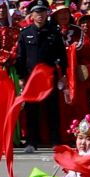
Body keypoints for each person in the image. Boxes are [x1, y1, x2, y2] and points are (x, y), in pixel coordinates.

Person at [15, 3, 67, 151]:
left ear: (47, 14)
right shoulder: (25, 33)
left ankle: (55, 141)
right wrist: (21, 77)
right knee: (32, 110)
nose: (40, 15)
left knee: (52, 110)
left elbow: (62, 55)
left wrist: (63, 74)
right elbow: (21, 57)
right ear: (31, 15)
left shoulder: (54, 32)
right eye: (37, 12)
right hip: (32, 78)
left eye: (43, 12)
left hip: (49, 77)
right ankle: (32, 142)